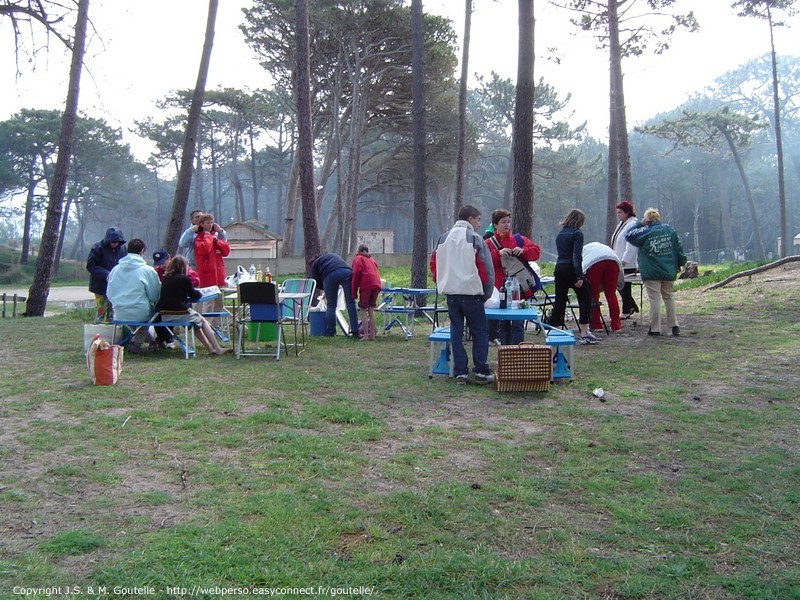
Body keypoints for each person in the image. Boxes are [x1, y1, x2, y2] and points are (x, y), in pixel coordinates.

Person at [429, 205, 495, 385]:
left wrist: (441, 282)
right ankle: (481, 370)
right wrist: (486, 293)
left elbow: (434, 264)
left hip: (451, 293)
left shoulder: (443, 238)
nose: (480, 224)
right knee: (479, 331)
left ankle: (460, 372)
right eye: (478, 220)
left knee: (456, 332)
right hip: (472, 293)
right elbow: (486, 269)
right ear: (471, 219)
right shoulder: (475, 239)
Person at [625, 207, 687, 337]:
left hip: (651, 271)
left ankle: (655, 328)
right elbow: (679, 248)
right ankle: (674, 325)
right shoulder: (670, 230)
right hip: (669, 270)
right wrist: (680, 263)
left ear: (647, 220)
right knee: (669, 297)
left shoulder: (645, 232)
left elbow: (628, 235)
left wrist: (639, 223)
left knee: (655, 299)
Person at [484, 208, 541, 345]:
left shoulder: (518, 239)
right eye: (503, 222)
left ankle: (517, 354)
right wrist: (498, 254)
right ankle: (505, 355)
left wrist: (523, 251)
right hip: (499, 290)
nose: (506, 225)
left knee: (517, 323)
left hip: (519, 288)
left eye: (508, 222)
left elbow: (536, 252)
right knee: (503, 325)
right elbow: (482, 261)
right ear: (495, 225)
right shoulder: (488, 243)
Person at [156, 255, 230, 355]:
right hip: (179, 312)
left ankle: (210, 349)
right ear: (184, 267)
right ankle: (217, 348)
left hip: (165, 314)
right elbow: (194, 296)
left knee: (196, 323)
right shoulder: (184, 279)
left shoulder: (166, 279)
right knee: (203, 321)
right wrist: (199, 292)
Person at [549, 209, 598, 345]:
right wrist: (580, 275)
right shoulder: (577, 234)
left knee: (560, 300)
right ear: (579, 221)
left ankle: (556, 330)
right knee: (585, 298)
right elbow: (576, 256)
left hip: (559, 268)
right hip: (571, 268)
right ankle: (584, 332)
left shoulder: (560, 234)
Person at [106, 238, 163, 353]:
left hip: (119, 311)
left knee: (135, 322)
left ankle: (152, 341)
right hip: (140, 311)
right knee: (149, 316)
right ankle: (136, 343)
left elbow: (109, 293)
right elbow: (155, 296)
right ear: (142, 251)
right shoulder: (147, 270)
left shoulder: (115, 270)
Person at [309, 252, 360, 337]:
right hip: (346, 272)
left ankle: (331, 332)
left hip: (329, 276)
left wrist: (326, 290)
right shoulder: (332, 255)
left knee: (331, 305)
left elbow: (315, 282)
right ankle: (355, 331)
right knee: (351, 303)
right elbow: (339, 268)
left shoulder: (315, 264)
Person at [86, 227, 127, 322]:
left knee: (114, 312)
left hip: (116, 286)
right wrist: (107, 274)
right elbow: (91, 266)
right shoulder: (97, 248)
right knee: (102, 312)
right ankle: (100, 330)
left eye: (117, 242)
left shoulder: (123, 249)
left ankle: (113, 331)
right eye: (113, 242)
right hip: (100, 286)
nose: (115, 244)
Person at [582, 242, 623, 333]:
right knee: (611, 294)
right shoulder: (603, 247)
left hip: (594, 264)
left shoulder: (584, 251)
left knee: (593, 295)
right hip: (613, 262)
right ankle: (616, 325)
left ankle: (596, 324)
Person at [610, 200, 639, 319]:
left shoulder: (632, 224)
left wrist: (625, 260)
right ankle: (630, 306)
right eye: (617, 212)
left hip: (626, 263)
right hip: (618, 259)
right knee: (621, 286)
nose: (618, 215)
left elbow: (631, 244)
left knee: (623, 286)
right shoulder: (622, 224)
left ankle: (627, 308)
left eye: (620, 212)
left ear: (627, 213)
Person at [351, 244, 382, 341]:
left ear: (358, 251)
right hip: (377, 284)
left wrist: (354, 292)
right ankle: (372, 335)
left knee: (363, 309)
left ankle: (365, 335)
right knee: (371, 310)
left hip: (366, 284)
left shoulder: (358, 259)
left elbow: (355, 275)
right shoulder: (372, 259)